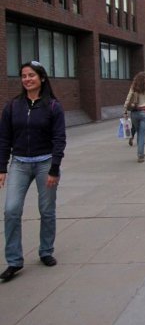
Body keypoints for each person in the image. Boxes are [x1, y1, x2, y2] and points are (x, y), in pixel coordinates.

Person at [0, 61, 66, 282]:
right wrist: (2, 167)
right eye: (24, 76)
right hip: (19, 163)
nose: (27, 79)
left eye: (31, 75)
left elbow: (59, 139)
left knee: (46, 210)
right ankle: (14, 261)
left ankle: (46, 251)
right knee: (11, 210)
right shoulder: (12, 106)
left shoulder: (53, 106)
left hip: (45, 163)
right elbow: (4, 139)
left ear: (42, 78)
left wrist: (54, 169)